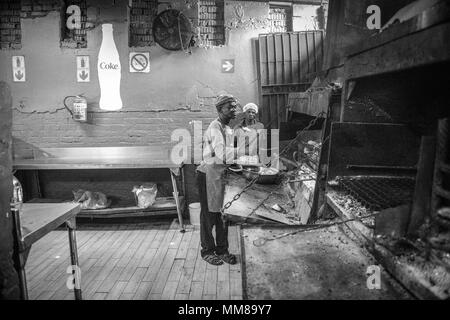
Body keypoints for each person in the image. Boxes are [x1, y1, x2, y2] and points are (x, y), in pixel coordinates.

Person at [196, 94, 239, 266]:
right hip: (208, 175)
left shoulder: (227, 128)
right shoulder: (215, 127)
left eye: (235, 106)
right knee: (208, 216)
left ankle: (222, 250)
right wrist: (245, 152)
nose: (234, 110)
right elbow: (222, 154)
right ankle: (207, 250)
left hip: (220, 175)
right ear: (220, 109)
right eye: (230, 107)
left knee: (223, 214)